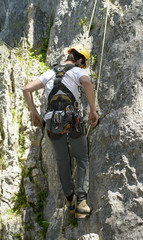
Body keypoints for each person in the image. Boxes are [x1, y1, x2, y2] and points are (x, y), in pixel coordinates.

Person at [23, 44, 98, 218]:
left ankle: (70, 201)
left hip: (51, 122)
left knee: (62, 160)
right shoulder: (79, 71)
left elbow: (26, 89)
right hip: (72, 120)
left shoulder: (49, 73)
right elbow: (86, 83)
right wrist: (93, 111)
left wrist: (35, 114)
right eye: (83, 63)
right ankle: (81, 203)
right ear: (80, 60)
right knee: (81, 158)